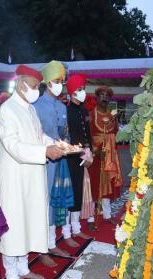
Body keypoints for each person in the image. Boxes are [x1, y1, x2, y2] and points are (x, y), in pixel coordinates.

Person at [0, 64, 65, 279]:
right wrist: (44, 152)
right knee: (14, 226)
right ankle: (12, 277)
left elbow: (39, 136)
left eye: (38, 87)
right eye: (34, 86)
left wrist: (54, 144)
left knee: (28, 221)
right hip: (15, 178)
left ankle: (24, 269)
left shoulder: (30, 109)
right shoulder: (8, 109)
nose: (36, 91)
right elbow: (13, 146)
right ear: (21, 83)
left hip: (32, 176)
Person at [33, 60, 71, 266]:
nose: (61, 85)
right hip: (44, 161)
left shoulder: (61, 105)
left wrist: (70, 146)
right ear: (47, 82)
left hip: (61, 160)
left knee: (57, 200)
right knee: (44, 201)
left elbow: (65, 133)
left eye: (62, 81)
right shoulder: (36, 106)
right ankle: (41, 248)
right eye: (57, 81)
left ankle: (50, 241)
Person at [64, 74, 93, 243]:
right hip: (69, 157)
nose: (83, 92)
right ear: (72, 91)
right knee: (71, 192)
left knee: (79, 191)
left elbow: (86, 133)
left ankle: (77, 227)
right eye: (80, 89)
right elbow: (68, 135)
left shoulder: (83, 110)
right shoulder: (66, 110)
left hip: (82, 156)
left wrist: (90, 152)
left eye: (83, 89)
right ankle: (67, 232)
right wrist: (79, 151)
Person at [89, 86, 123, 224]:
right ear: (96, 98)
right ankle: (90, 216)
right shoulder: (91, 114)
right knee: (93, 183)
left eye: (107, 96)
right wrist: (95, 150)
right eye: (101, 95)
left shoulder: (112, 117)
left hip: (109, 156)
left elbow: (115, 135)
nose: (104, 98)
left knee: (108, 184)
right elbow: (88, 135)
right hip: (95, 155)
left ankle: (107, 215)